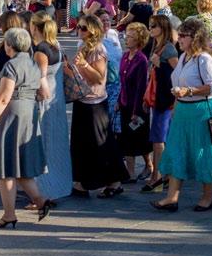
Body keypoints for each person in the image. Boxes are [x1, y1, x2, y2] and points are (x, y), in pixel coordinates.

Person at [152, 18, 212, 213]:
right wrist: (178, 102)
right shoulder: (184, 56)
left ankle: (207, 197)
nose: (179, 39)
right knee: (177, 150)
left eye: (183, 36)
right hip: (183, 111)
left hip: (202, 111)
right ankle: (172, 197)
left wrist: (190, 91)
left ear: (195, 37)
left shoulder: (204, 59)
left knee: (203, 153)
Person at [0, 27, 51, 228]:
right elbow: (45, 93)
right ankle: (40, 201)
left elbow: (3, 98)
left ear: (9, 45)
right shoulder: (33, 64)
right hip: (29, 114)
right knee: (22, 167)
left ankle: (9, 214)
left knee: (7, 169)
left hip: (12, 115)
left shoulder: (11, 66)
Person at [70, 15, 129, 197]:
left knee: (101, 142)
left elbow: (99, 77)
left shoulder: (98, 49)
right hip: (82, 98)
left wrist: (84, 65)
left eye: (84, 28)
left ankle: (114, 180)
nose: (80, 30)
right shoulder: (82, 46)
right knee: (81, 143)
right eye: (79, 27)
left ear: (93, 31)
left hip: (95, 102)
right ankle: (81, 182)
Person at [30, 13, 72, 201]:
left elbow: (41, 78)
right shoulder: (57, 45)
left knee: (43, 144)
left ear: (34, 28)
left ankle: (44, 190)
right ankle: (60, 183)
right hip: (57, 101)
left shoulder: (41, 50)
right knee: (57, 144)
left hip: (45, 102)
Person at [141, 15, 179, 193]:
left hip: (165, 100)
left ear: (162, 28)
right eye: (150, 25)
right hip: (157, 99)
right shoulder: (156, 46)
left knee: (159, 139)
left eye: (154, 26)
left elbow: (176, 74)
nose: (151, 29)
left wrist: (160, 65)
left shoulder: (169, 49)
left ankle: (159, 175)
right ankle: (161, 175)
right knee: (158, 139)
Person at [118, 23, 152, 182]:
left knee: (139, 139)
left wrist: (136, 111)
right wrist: (119, 100)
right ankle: (130, 172)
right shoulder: (125, 56)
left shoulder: (141, 60)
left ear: (138, 39)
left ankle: (148, 164)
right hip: (125, 103)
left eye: (130, 36)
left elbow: (141, 87)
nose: (127, 39)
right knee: (127, 139)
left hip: (136, 106)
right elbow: (121, 81)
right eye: (127, 35)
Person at [97, 10, 123, 134]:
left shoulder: (113, 34)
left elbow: (119, 57)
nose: (107, 22)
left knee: (115, 116)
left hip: (117, 82)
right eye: (103, 20)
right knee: (105, 117)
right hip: (103, 83)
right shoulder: (94, 40)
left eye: (108, 19)